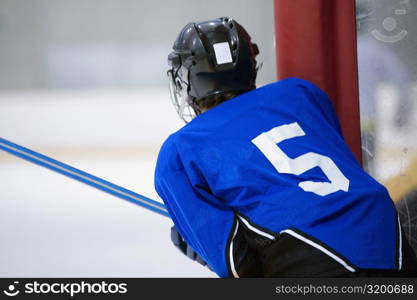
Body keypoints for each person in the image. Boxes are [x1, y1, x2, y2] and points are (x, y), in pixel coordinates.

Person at [154, 17, 417, 277]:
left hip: (311, 258)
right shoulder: (301, 94)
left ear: (187, 80)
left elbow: (238, 267)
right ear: (250, 63)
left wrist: (207, 247)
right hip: (386, 235)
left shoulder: (179, 150)